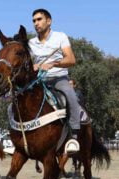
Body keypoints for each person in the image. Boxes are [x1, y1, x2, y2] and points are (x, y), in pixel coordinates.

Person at [28, 9, 80, 153]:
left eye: (39, 19)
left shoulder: (60, 37)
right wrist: (33, 66)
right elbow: (29, 64)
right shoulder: (31, 43)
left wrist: (53, 64)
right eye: (34, 21)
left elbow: (71, 59)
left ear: (49, 21)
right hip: (40, 81)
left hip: (58, 79)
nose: (36, 23)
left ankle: (74, 136)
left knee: (71, 96)